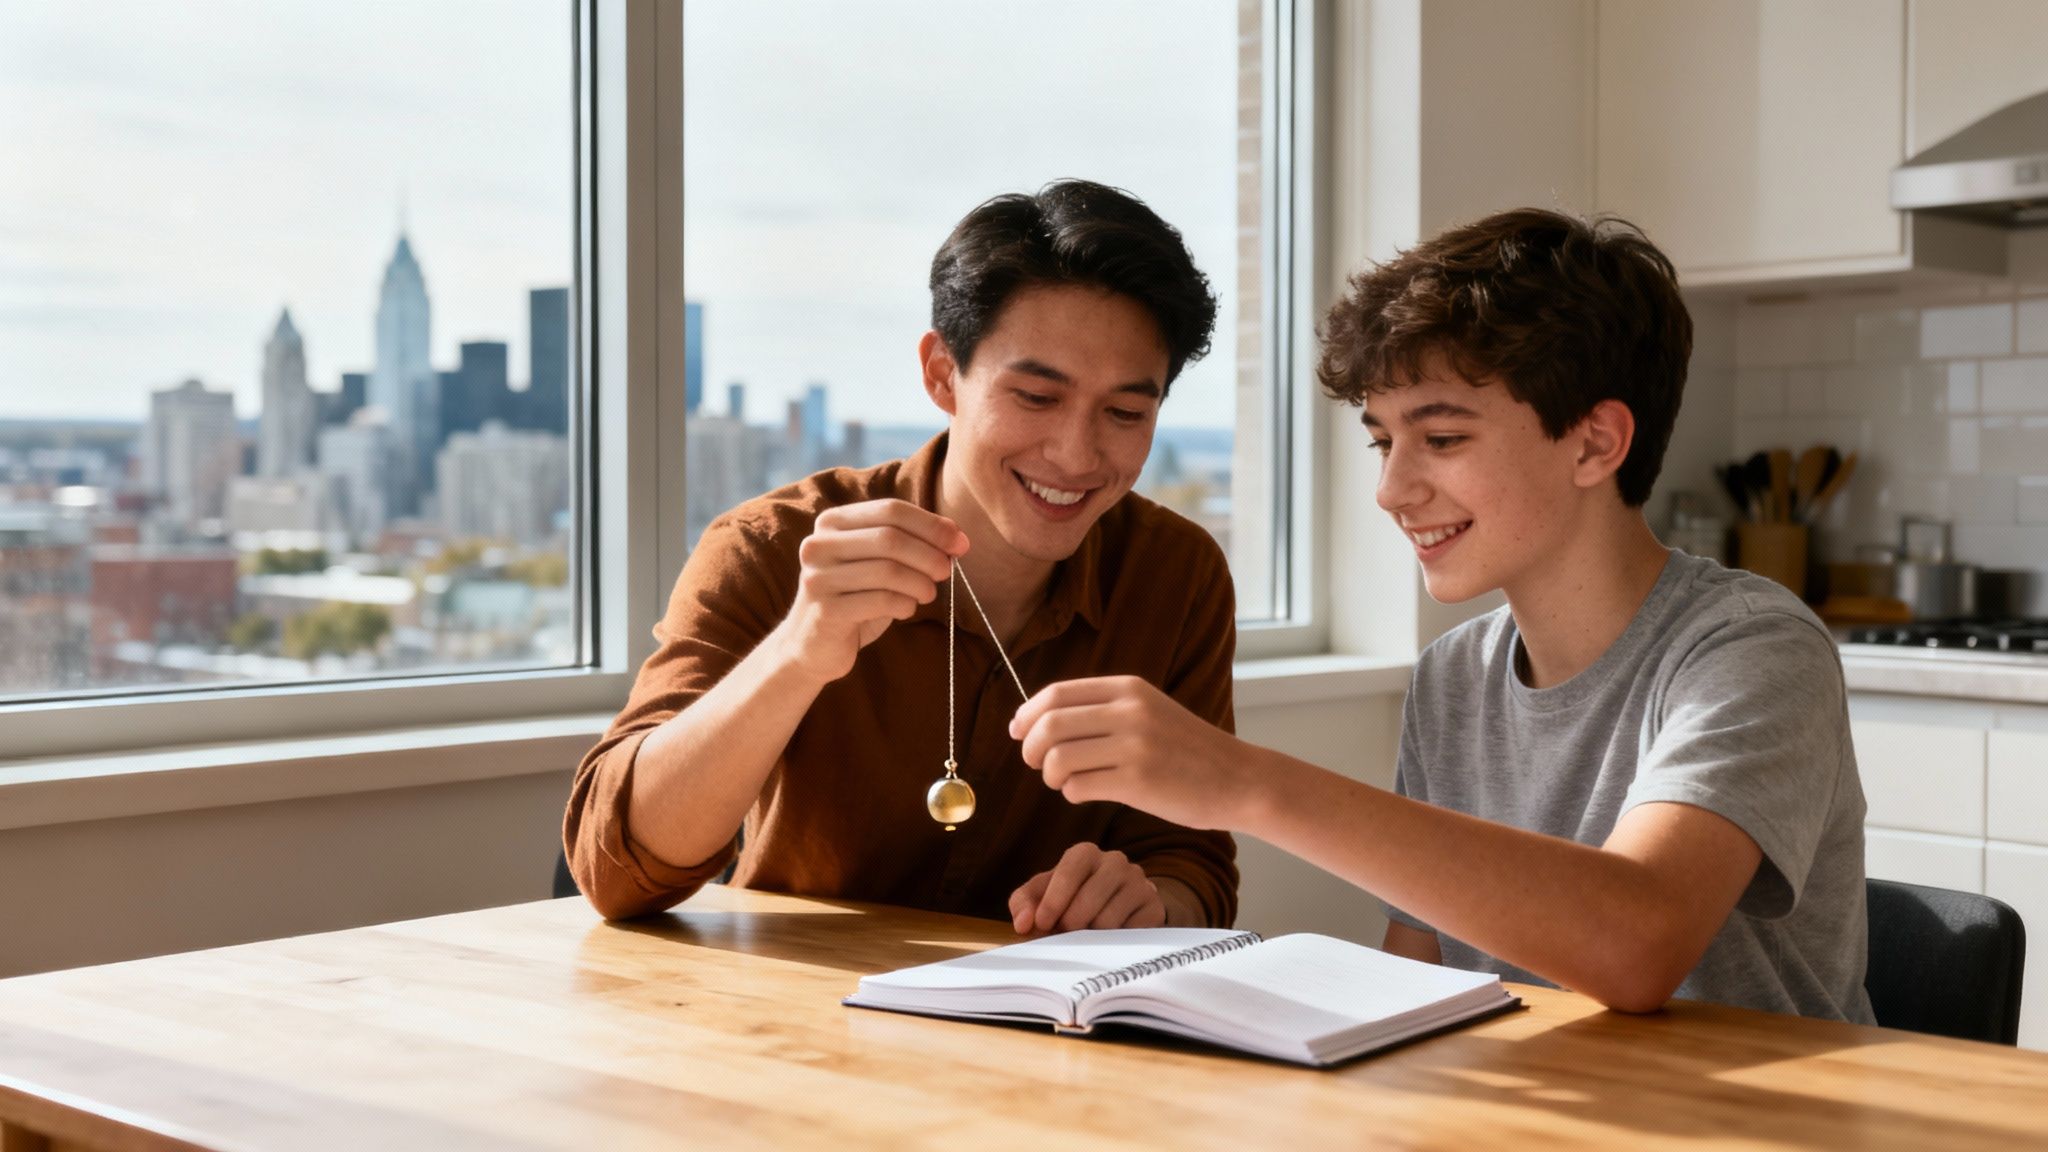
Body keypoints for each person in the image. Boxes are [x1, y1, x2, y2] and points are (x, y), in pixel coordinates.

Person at [1008, 208, 1874, 1021]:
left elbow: (1639, 942)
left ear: (1596, 442)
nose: (1392, 489)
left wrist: (1242, 780)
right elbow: (1414, 988)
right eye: (1385, 441)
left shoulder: (1753, 649)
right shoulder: (1455, 674)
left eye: (1444, 438)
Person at [565, 179, 1240, 934]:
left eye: (1124, 413)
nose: (1077, 454)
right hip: (788, 1024)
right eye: (1036, 398)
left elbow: (1193, 863)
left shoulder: (1176, 576)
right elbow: (612, 873)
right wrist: (797, 652)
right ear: (943, 375)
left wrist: (1148, 901)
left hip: (1049, 1037)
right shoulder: (774, 547)